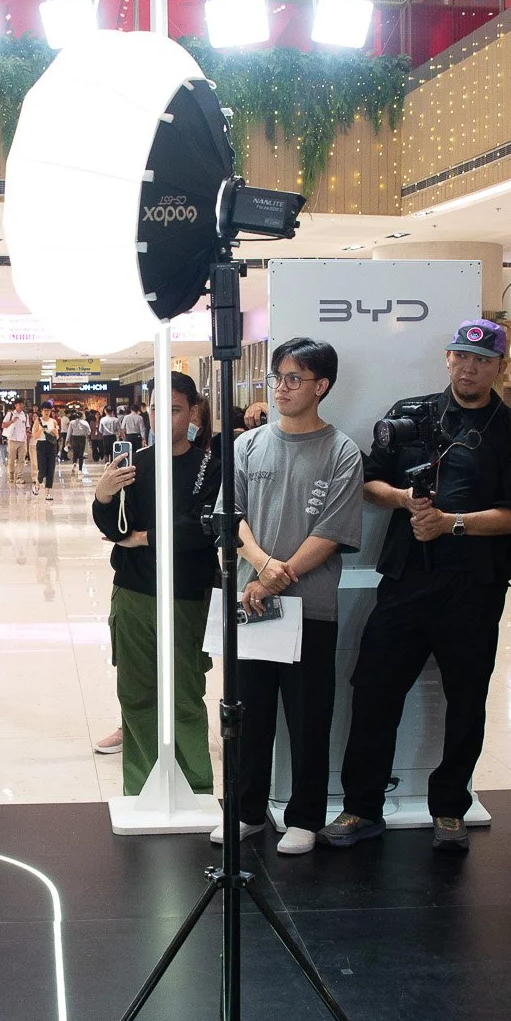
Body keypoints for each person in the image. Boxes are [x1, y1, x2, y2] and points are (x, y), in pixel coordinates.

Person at [327, 319, 511, 853]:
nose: (469, 368)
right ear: (447, 359)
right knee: (374, 691)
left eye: (482, 360)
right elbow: (368, 480)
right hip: (405, 578)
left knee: (466, 700)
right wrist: (403, 499)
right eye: (460, 357)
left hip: (476, 585)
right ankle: (360, 806)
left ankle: (450, 809)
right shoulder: (410, 414)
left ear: (498, 366)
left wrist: (453, 523)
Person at [222, 338, 364, 853]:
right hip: (251, 604)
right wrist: (260, 568)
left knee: (308, 715)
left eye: (293, 379)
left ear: (321, 386)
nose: (280, 388)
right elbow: (229, 516)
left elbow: (331, 532)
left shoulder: (342, 451)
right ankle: (247, 811)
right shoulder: (246, 445)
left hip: (311, 608)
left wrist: (277, 576)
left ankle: (305, 816)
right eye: (277, 378)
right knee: (248, 712)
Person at [92, 371, 220, 801]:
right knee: (137, 695)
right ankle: (141, 789)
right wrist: (104, 497)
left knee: (184, 695)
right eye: (157, 409)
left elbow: (201, 529)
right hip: (133, 592)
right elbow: (113, 529)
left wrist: (146, 536)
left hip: (185, 596)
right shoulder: (134, 463)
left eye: (176, 409)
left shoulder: (209, 468)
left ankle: (197, 789)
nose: (166, 418)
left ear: (193, 412)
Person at [2, 401, 32, 487]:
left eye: (22, 404)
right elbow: (3, 425)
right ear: (16, 405)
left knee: (21, 460)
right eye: (20, 404)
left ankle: (20, 477)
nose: (21, 406)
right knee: (11, 459)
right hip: (12, 439)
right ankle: (11, 476)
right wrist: (12, 421)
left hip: (22, 440)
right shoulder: (10, 414)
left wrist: (28, 433)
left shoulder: (25, 415)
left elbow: (27, 427)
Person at [35, 408, 59, 497]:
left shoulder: (54, 421)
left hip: (51, 445)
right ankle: (38, 482)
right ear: (41, 411)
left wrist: (55, 433)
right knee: (42, 470)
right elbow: (34, 436)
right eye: (44, 410)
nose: (46, 412)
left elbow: (57, 436)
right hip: (41, 445)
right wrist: (41, 430)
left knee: (51, 470)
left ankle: (47, 492)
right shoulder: (38, 421)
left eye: (48, 411)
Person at [67, 409, 90, 474]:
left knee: (75, 452)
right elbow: (89, 432)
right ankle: (80, 469)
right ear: (82, 416)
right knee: (81, 454)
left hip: (74, 438)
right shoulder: (85, 422)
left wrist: (67, 440)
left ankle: (74, 463)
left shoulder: (72, 422)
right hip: (82, 438)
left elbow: (69, 432)